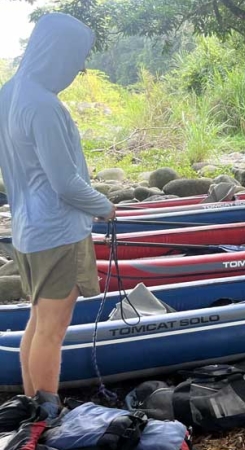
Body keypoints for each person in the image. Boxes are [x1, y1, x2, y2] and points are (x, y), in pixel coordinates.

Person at [0, 13, 116, 416]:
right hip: (57, 232)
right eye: (78, 60)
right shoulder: (45, 106)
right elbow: (65, 182)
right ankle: (47, 416)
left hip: (27, 232)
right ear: (59, 56)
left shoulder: (9, 93)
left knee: (37, 322)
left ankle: (35, 407)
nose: (77, 70)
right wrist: (105, 208)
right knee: (52, 330)